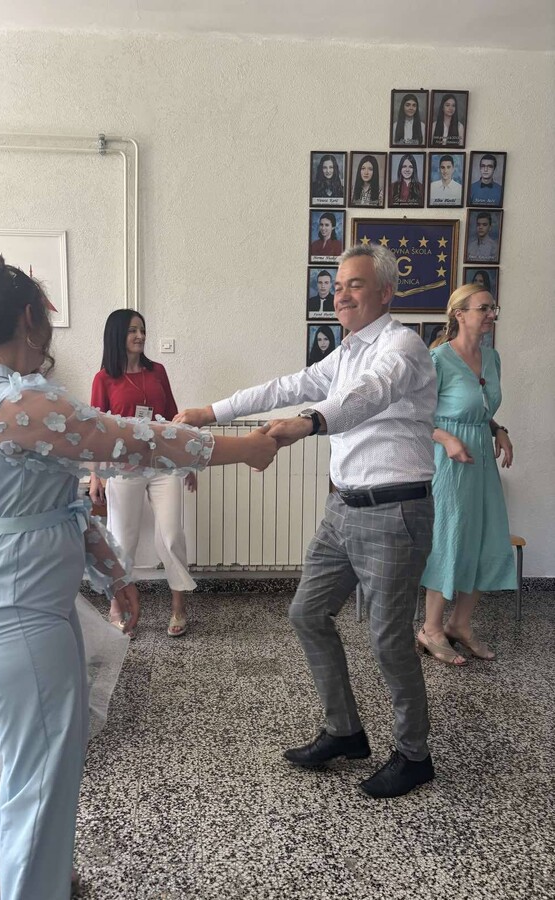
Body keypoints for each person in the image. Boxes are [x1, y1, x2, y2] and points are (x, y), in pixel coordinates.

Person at [0, 252, 277, 900]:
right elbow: (135, 441)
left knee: (40, 754)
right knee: (46, 759)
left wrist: (115, 574)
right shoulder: (17, 402)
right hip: (14, 607)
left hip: (24, 600)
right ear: (28, 318)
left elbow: (56, 502)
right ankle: (30, 886)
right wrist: (243, 447)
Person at [175, 244, 439, 799]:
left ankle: (415, 756)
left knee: (388, 638)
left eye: (354, 285)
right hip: (343, 508)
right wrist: (212, 412)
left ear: (385, 292)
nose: (341, 294)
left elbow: (369, 396)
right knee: (307, 612)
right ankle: (345, 732)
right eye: (337, 286)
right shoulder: (345, 353)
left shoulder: (403, 346)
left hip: (394, 510)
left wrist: (309, 423)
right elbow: (286, 386)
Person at [418, 284, 515, 665]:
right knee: (449, 537)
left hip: (482, 461)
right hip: (450, 462)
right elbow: (416, 416)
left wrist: (497, 429)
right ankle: (431, 628)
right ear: (459, 314)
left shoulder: (492, 358)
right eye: (483, 308)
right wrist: (447, 439)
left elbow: (479, 408)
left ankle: (460, 624)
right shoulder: (438, 359)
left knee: (485, 536)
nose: (491, 314)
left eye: (493, 308)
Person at [89, 309, 196, 638]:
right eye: (132, 330)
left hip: (162, 464)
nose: (140, 336)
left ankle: (178, 606)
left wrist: (187, 462)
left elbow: (174, 419)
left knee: (172, 535)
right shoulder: (104, 378)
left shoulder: (157, 371)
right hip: (123, 469)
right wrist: (96, 475)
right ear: (117, 335)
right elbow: (95, 431)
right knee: (123, 540)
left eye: (142, 330)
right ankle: (117, 607)